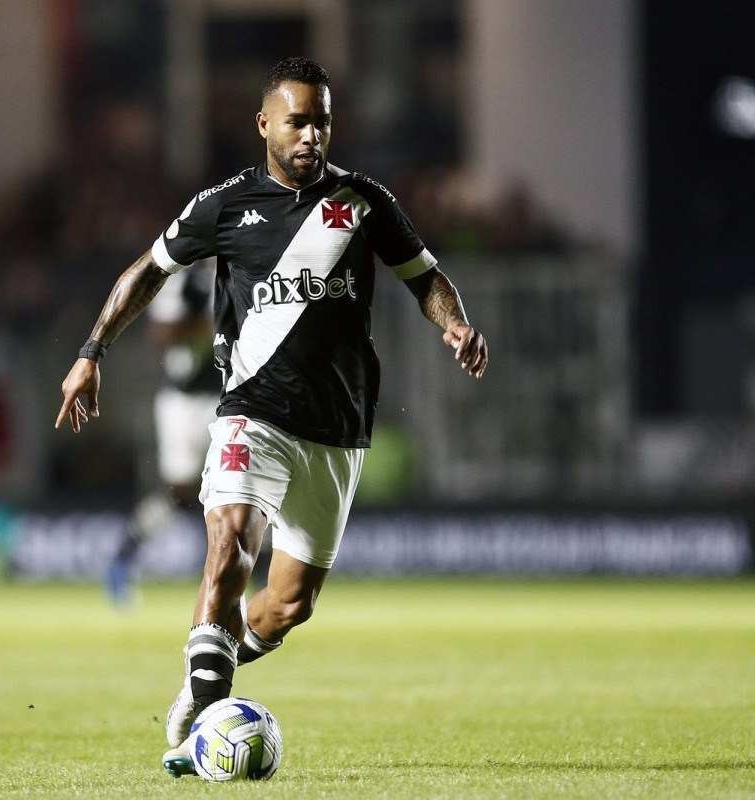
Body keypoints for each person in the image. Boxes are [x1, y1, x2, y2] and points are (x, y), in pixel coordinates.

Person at [54, 57, 488, 776]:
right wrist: (91, 350)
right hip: (250, 411)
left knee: (287, 605)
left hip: (338, 429)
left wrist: (456, 324)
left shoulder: (363, 201)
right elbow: (147, 271)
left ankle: (218, 665)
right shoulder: (223, 206)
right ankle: (202, 710)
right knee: (228, 540)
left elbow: (427, 278)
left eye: (322, 119)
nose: (312, 134)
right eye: (297, 120)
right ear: (264, 125)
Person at [106, 259, 218, 605]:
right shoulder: (184, 283)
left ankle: (243, 575)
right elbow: (162, 331)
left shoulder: (247, 274)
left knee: (238, 486)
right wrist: (215, 328)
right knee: (181, 491)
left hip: (229, 398)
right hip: (184, 402)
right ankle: (123, 558)